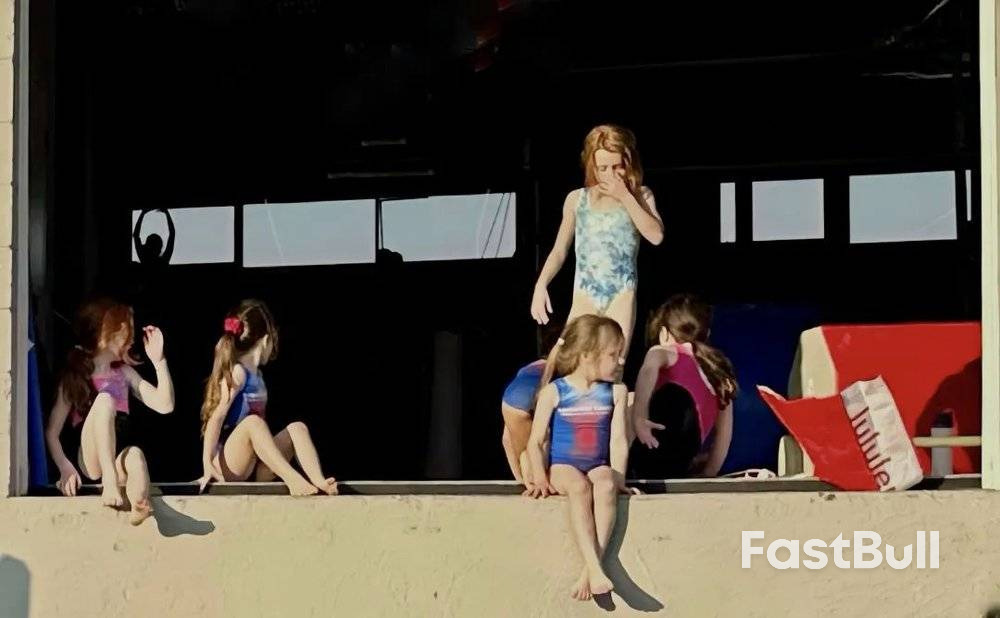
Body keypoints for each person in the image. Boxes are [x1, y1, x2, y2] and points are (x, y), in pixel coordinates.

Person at [525, 314, 636, 601]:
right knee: (579, 488)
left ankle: (591, 570)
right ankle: (595, 567)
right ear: (587, 355)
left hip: (597, 464)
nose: (619, 362)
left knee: (605, 485)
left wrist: (619, 478)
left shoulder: (615, 392)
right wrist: (539, 477)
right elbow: (535, 441)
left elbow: (618, 440)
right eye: (613, 355)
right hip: (563, 466)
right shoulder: (555, 392)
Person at [530, 125, 663, 358]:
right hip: (586, 292)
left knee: (613, 362)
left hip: (621, 292)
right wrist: (541, 285)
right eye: (603, 168)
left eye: (617, 166)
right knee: (569, 360)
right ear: (592, 167)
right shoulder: (577, 200)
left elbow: (656, 236)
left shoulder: (641, 195)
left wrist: (625, 196)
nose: (610, 174)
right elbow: (559, 250)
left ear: (628, 163)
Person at [44, 299, 174, 526]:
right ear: (105, 335)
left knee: (135, 455)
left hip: (117, 456)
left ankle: (140, 503)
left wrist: (159, 361)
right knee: (105, 400)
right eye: (126, 332)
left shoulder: (124, 373)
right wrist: (64, 466)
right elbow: (52, 432)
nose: (132, 339)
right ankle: (110, 481)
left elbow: (165, 405)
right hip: (91, 462)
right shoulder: (75, 376)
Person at [198, 299, 337, 496]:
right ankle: (292, 479)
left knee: (297, 428)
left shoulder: (258, 377)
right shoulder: (238, 373)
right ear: (266, 340)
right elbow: (216, 418)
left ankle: (319, 481)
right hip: (230, 464)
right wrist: (207, 464)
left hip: (255, 466)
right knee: (253, 423)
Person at [631, 294, 737, 478]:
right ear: (707, 334)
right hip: (681, 462)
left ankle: (615, 469)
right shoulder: (719, 374)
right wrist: (708, 473)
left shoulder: (663, 351)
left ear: (664, 333)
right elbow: (724, 436)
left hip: (650, 449)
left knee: (627, 398)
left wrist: (639, 417)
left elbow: (647, 371)